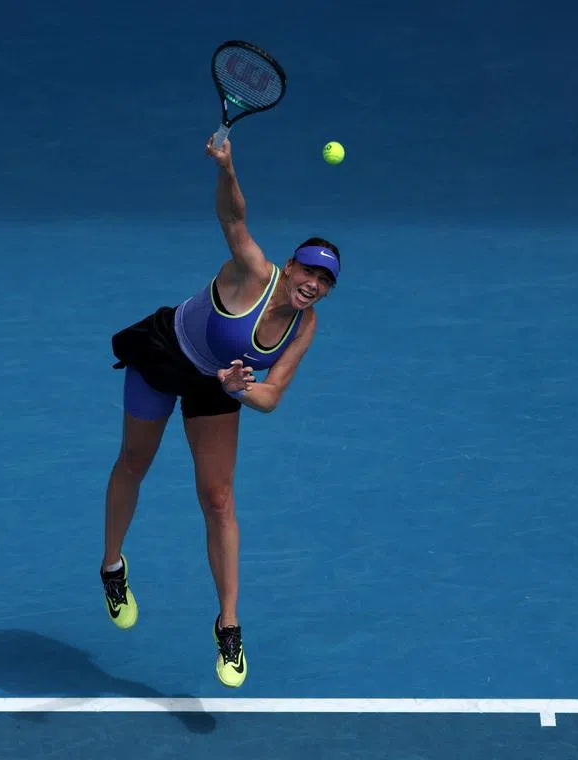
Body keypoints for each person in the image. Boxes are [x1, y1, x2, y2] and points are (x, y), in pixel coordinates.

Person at [99, 135, 341, 689]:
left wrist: (235, 389)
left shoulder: (305, 327)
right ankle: (113, 565)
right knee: (135, 462)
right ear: (290, 265)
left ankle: (228, 625)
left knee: (219, 498)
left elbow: (272, 396)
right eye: (310, 271)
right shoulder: (254, 271)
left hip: (220, 382)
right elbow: (233, 215)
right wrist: (227, 168)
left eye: (326, 282)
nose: (314, 285)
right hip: (167, 354)